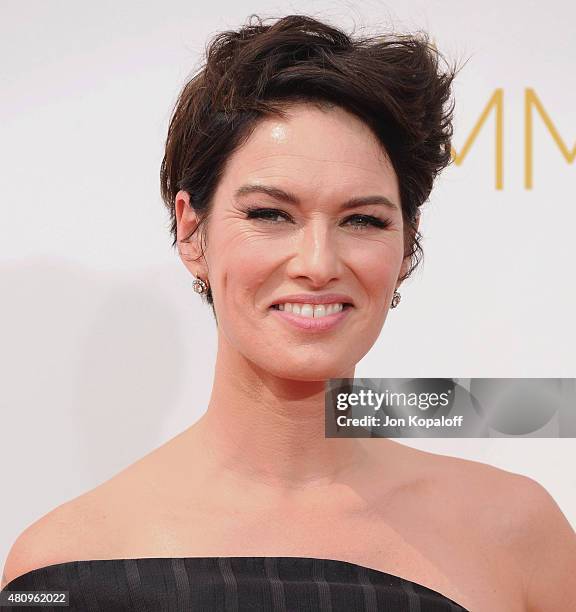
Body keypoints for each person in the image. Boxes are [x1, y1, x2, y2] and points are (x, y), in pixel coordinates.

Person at [2, 13, 575, 612]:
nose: (318, 262)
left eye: (364, 220)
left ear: (406, 247)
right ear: (192, 231)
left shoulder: (514, 533)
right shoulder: (66, 567)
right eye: (271, 214)